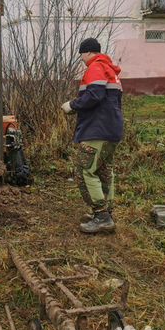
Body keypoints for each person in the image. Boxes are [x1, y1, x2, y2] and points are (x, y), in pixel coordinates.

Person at [61, 38, 123, 234]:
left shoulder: (96, 67)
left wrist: (72, 105)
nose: (81, 59)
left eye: (81, 55)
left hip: (97, 130)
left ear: (87, 52)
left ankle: (101, 216)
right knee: (104, 171)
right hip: (111, 129)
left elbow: (94, 95)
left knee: (85, 170)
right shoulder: (110, 70)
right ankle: (106, 213)